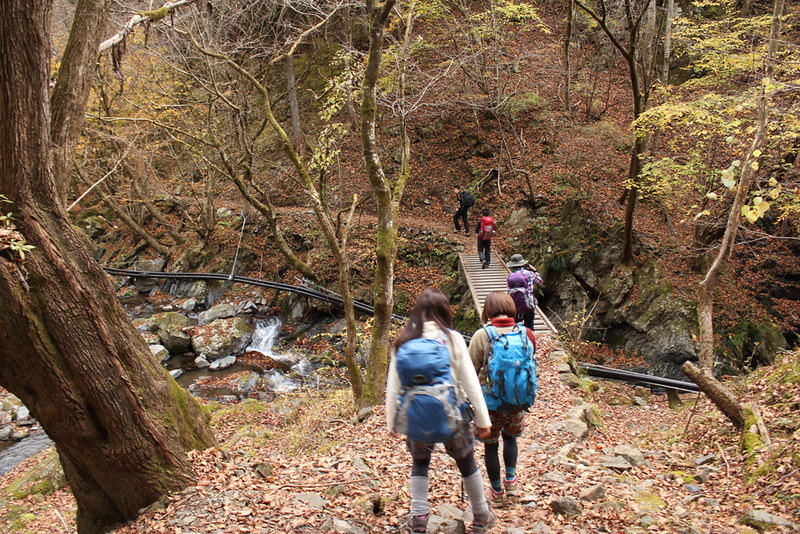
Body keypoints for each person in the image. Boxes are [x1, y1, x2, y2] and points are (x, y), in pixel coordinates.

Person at [386, 289, 497, 534]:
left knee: (420, 462)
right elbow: (470, 383)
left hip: (415, 414)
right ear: (444, 312)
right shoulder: (453, 338)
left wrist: (392, 421)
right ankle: (480, 515)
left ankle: (418, 518)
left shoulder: (403, 341)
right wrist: (482, 419)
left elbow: (393, 386)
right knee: (466, 460)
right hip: (452, 413)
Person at [468, 291, 536, 506]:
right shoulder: (526, 333)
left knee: (490, 445)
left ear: (487, 311)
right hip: (517, 400)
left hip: (490, 403)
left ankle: (496, 492)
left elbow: (470, 369)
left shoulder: (482, 335)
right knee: (510, 439)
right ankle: (512, 482)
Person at [506, 254, 543, 330]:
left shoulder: (510, 276)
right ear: (522, 264)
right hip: (528, 305)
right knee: (529, 328)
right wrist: (535, 271)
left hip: (515, 307)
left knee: (515, 329)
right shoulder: (529, 274)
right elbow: (540, 282)